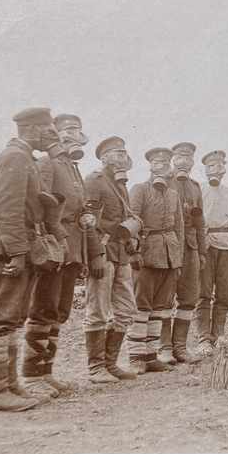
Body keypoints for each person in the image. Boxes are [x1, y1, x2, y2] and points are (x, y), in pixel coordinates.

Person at [0, 107, 60, 412]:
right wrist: (18, 253)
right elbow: (7, 210)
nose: (53, 135)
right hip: (11, 247)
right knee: (1, 317)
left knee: (12, 317)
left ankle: (9, 386)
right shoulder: (14, 157)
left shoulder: (25, 158)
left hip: (19, 245)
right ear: (33, 129)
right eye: (49, 130)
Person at [22, 113, 105, 398]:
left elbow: (82, 213)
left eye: (78, 129)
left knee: (60, 310)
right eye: (67, 129)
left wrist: (91, 251)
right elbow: (39, 205)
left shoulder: (72, 167)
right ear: (55, 134)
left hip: (73, 247)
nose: (73, 134)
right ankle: (32, 376)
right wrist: (46, 244)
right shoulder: (47, 163)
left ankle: (47, 372)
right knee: (43, 306)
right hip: (53, 248)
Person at [81, 136, 139, 383]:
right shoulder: (95, 180)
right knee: (98, 309)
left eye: (124, 152)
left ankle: (110, 363)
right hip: (103, 252)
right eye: (116, 152)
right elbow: (88, 221)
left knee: (126, 308)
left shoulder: (120, 183)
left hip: (121, 253)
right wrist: (94, 255)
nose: (121, 156)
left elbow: (123, 218)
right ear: (103, 157)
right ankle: (96, 368)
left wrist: (131, 245)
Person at [126, 148, 185, 372]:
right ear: (150, 165)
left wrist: (177, 259)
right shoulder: (139, 189)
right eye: (157, 162)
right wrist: (134, 253)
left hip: (169, 255)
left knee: (161, 307)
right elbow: (131, 223)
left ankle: (151, 356)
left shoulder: (173, 194)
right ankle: (136, 357)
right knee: (141, 306)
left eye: (166, 162)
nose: (162, 165)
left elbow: (178, 227)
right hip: (147, 254)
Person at [163, 141, 205, 363]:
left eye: (188, 158)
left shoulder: (195, 187)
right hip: (168, 245)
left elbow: (200, 222)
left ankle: (180, 347)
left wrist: (203, 251)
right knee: (164, 297)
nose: (184, 162)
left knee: (189, 297)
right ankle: (164, 348)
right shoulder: (163, 181)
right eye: (180, 157)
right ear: (173, 159)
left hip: (190, 247)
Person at [197, 150, 228, 352]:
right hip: (207, 246)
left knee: (225, 293)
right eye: (211, 166)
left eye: (219, 166)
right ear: (206, 170)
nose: (216, 169)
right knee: (204, 292)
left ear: (224, 169)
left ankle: (219, 335)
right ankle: (203, 338)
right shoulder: (199, 190)